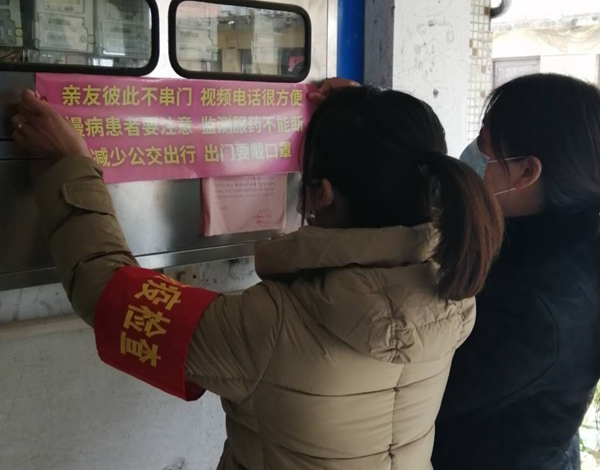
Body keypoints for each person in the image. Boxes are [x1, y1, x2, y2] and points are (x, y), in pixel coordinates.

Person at [13, 86, 503, 470]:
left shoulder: (271, 326)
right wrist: (361, 112)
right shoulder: (452, 290)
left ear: (322, 196)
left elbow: (106, 294)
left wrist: (69, 166)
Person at [315, 74, 600, 470]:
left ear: (526, 173)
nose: (472, 158)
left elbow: (416, 388)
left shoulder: (541, 307)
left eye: (484, 147)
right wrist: (367, 118)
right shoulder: (548, 226)